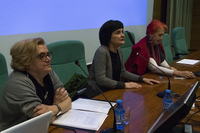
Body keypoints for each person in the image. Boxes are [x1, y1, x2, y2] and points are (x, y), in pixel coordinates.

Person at [0, 38, 71, 131]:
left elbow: (68, 100)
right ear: (26, 61)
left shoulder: (48, 72)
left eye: (48, 55)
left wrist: (53, 108)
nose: (48, 59)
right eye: (42, 56)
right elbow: (41, 120)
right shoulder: (17, 83)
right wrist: (57, 105)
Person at [85, 20, 160, 98]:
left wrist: (142, 79)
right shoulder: (102, 51)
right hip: (98, 94)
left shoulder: (119, 51)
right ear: (108, 36)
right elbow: (101, 79)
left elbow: (123, 72)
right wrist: (124, 85)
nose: (123, 35)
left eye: (122, 31)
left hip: (112, 90)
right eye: (118, 32)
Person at [125, 20, 195, 79]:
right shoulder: (141, 47)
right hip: (134, 78)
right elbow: (154, 67)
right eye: (159, 35)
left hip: (148, 75)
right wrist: (177, 73)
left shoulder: (157, 43)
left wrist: (169, 67)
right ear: (150, 34)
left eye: (163, 35)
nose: (161, 38)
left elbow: (161, 60)